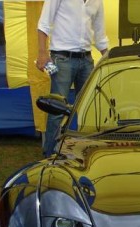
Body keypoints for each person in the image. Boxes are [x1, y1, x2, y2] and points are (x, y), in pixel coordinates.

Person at [36, 0, 108, 157]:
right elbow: (43, 24)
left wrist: (107, 57)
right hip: (62, 58)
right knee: (57, 110)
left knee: (89, 109)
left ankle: (86, 154)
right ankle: (50, 156)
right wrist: (42, 53)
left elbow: (100, 31)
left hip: (86, 58)